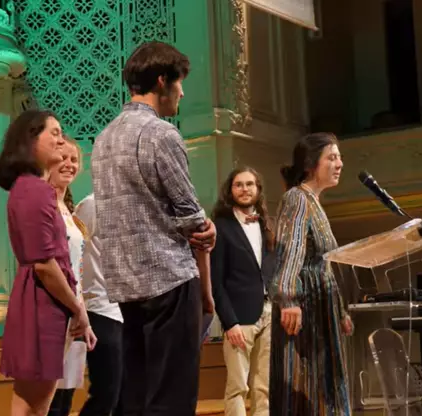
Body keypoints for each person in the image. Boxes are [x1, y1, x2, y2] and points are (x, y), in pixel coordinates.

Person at [91, 41, 216, 416]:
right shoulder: (161, 134)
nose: (182, 91)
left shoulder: (103, 139)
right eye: (179, 82)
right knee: (172, 398)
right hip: (168, 280)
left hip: (126, 287)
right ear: (162, 80)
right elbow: (189, 213)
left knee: (137, 396)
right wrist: (206, 228)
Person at [0, 110, 90, 416]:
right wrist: (78, 309)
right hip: (44, 304)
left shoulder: (29, 188)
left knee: (30, 405)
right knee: (35, 406)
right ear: (31, 140)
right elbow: (45, 264)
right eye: (54, 133)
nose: (61, 140)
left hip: (40, 300)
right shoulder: (36, 190)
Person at [269, 133, 354, 416]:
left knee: (324, 384)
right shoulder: (297, 198)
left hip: (321, 306)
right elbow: (288, 250)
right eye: (331, 157)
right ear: (310, 164)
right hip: (304, 307)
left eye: (339, 157)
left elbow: (324, 262)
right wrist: (288, 298)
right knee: (304, 385)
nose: (339, 163)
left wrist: (340, 311)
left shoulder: (314, 202)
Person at [210, 167, 275, 416]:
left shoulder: (266, 225)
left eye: (250, 184)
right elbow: (216, 282)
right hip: (239, 318)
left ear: (258, 189)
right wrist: (230, 322)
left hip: (268, 313)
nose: (245, 189)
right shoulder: (221, 227)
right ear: (231, 190)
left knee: (264, 387)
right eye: (239, 184)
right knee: (238, 387)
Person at [48, 138, 99, 416]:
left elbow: (76, 269)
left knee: (64, 401)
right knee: (48, 402)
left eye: (74, 159)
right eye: (62, 158)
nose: (69, 164)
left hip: (75, 316)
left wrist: (84, 318)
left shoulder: (68, 209)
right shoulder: (45, 207)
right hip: (53, 312)